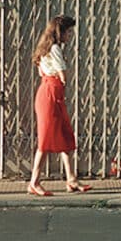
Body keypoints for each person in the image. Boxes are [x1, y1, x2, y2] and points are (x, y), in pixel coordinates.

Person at [27, 14, 91, 196]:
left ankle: (71, 179)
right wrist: (62, 82)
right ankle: (34, 182)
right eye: (68, 32)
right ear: (60, 32)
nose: (70, 36)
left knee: (64, 136)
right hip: (52, 93)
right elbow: (63, 74)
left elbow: (41, 71)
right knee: (46, 140)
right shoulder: (55, 49)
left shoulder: (43, 49)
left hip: (46, 90)